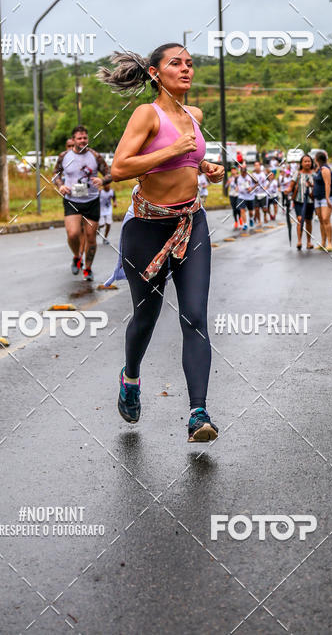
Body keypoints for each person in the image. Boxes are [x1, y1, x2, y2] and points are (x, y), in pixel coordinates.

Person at [99, 43, 224, 442]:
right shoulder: (146, 114)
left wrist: (206, 167)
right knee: (146, 316)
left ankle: (198, 414)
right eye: (176, 63)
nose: (186, 69)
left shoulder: (195, 116)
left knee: (195, 317)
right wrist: (173, 149)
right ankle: (131, 377)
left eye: (190, 63)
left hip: (191, 223)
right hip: (147, 228)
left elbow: (187, 161)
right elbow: (120, 167)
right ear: (155, 73)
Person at [52, 126, 109, 282]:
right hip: (72, 200)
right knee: (73, 233)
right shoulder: (64, 156)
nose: (83, 141)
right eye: (79, 138)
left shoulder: (95, 156)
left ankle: (88, 268)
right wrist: (60, 185)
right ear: (74, 140)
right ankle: (77, 257)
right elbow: (56, 174)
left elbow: (110, 173)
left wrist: (102, 180)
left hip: (92, 200)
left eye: (85, 138)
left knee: (91, 237)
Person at [289, 154, 315, 250]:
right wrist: (287, 190)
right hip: (299, 201)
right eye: (305, 161)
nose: (307, 163)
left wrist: (312, 186)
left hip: (310, 201)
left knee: (308, 221)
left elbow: (317, 187)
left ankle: (309, 242)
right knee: (300, 220)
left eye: (309, 161)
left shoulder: (314, 174)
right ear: (301, 163)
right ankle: (299, 241)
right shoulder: (297, 174)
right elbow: (291, 186)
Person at [312, 151, 332, 251]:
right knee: (321, 220)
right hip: (317, 198)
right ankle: (323, 242)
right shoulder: (318, 169)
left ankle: (330, 243)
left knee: (326, 219)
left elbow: (327, 184)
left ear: (317, 159)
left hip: (325, 198)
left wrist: (327, 198)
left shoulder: (325, 169)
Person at [236, 163, 255, 230]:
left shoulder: (251, 177)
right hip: (241, 196)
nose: (243, 174)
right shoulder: (238, 178)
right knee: (242, 210)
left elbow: (257, 183)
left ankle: (251, 218)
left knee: (251, 212)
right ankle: (245, 224)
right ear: (240, 172)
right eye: (242, 172)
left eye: (244, 172)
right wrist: (237, 188)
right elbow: (237, 185)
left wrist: (251, 188)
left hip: (250, 196)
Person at [98, 176, 117, 244]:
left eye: (108, 184)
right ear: (103, 185)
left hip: (108, 209)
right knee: (102, 224)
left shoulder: (112, 191)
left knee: (108, 223)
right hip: (101, 210)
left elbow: (114, 198)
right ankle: (98, 227)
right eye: (106, 184)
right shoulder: (101, 192)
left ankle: (105, 238)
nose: (107, 185)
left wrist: (115, 203)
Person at [251, 160, 268, 228]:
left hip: (263, 194)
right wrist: (254, 186)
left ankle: (265, 215)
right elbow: (251, 184)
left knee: (264, 209)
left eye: (258, 165)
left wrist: (266, 187)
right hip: (255, 194)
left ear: (260, 166)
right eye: (255, 165)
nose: (256, 167)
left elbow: (267, 183)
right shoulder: (253, 175)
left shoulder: (263, 174)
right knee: (257, 209)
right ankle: (259, 221)